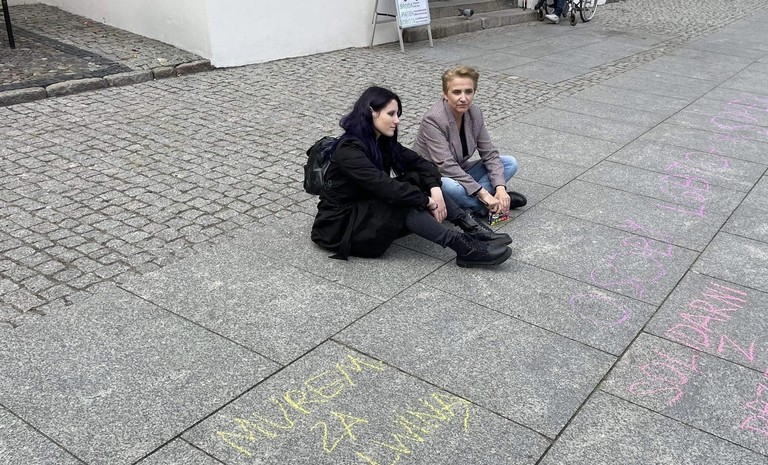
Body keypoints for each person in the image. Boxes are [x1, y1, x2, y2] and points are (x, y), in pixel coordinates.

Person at [311, 86, 513, 268]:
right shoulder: (349, 150)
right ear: (371, 112)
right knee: (404, 201)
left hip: (367, 207)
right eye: (391, 114)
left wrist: (434, 188)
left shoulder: (381, 142)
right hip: (342, 224)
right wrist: (427, 201)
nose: (397, 120)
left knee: (416, 177)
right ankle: (463, 248)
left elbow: (422, 164)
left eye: (397, 114)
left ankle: (471, 228)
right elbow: (385, 187)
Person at [412, 66, 527, 219]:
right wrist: (484, 194)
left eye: (468, 91)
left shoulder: (475, 113)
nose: (463, 98)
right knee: (449, 186)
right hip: (434, 179)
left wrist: (500, 187)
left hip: (461, 171)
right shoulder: (433, 119)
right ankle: (485, 206)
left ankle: (478, 203)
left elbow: (489, 153)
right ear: (445, 94)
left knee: (510, 163)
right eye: (456, 92)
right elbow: (446, 165)